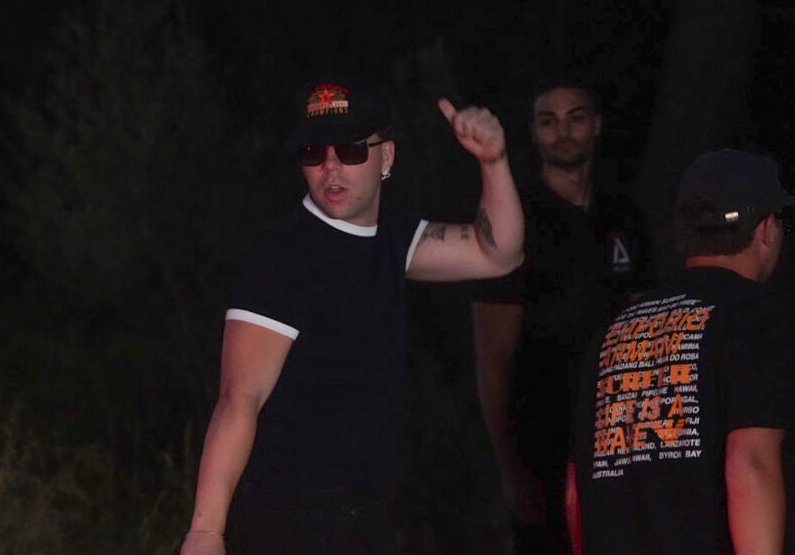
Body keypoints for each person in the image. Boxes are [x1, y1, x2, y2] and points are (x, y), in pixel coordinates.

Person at [180, 74, 524, 555]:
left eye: (350, 150)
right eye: (313, 153)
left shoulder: (392, 237)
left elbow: (499, 254)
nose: (330, 167)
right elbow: (239, 398)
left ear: (387, 157)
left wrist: (494, 161)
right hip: (285, 521)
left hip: (366, 519)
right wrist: (205, 532)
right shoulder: (284, 257)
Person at [567, 149, 794, 554]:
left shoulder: (612, 333)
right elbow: (750, 466)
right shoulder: (757, 318)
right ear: (766, 229)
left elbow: (574, 492)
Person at [469, 79, 648, 553]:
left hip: (617, 435)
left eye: (576, 118)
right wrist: (510, 469)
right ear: (533, 133)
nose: (563, 132)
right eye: (549, 121)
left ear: (597, 125)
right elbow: (491, 359)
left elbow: (642, 330)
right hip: (541, 438)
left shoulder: (624, 217)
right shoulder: (514, 221)